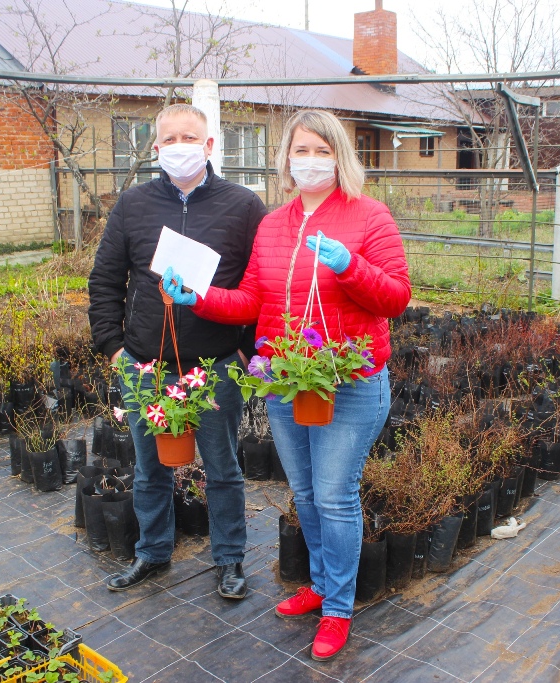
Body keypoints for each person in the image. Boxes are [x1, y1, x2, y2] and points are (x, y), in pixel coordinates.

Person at [162, 109, 411, 661]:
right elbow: (252, 299)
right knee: (305, 492)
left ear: (340, 157)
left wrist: (350, 267)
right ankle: (320, 584)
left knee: (335, 496)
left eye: (323, 151)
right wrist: (198, 297)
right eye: (302, 150)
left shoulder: (370, 216)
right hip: (284, 380)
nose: (311, 161)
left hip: (349, 382)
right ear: (286, 158)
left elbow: (396, 297)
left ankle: (338, 608)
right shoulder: (274, 224)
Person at [88, 103, 267, 599]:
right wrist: (113, 348)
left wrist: (245, 353)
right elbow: (105, 280)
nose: (180, 147)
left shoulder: (243, 206)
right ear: (156, 148)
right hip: (145, 365)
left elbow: (261, 286)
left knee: (222, 468)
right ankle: (152, 551)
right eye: (170, 139)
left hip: (215, 366)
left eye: (190, 138)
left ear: (209, 145)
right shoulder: (133, 205)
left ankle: (229, 559)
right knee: (149, 467)